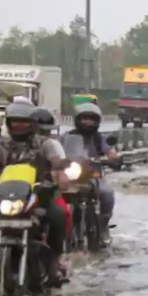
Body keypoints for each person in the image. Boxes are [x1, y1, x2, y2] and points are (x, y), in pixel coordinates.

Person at [0, 102, 71, 289]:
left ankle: (55, 264)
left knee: (58, 214)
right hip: (5, 196)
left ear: (32, 123)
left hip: (39, 194)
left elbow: (57, 164)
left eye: (23, 122)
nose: (19, 126)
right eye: (15, 122)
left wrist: (61, 175)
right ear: (9, 123)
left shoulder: (46, 144)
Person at [60, 103, 119, 243]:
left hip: (93, 175)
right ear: (77, 120)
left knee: (107, 194)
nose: (88, 122)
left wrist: (113, 158)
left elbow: (110, 151)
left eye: (92, 119)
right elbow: (55, 151)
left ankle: (103, 226)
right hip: (70, 176)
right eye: (85, 119)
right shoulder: (65, 137)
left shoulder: (99, 138)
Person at [31, 107, 73, 240]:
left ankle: (56, 254)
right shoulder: (5, 143)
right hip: (15, 191)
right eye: (40, 130)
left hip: (43, 190)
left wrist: (61, 174)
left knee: (61, 213)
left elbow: (57, 163)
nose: (43, 134)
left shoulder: (50, 144)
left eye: (46, 131)